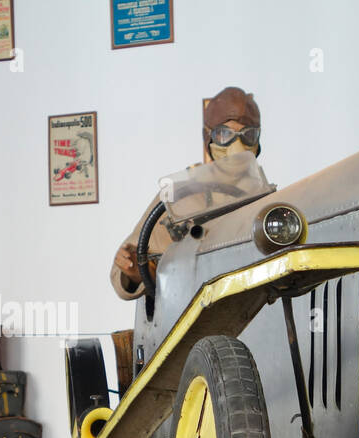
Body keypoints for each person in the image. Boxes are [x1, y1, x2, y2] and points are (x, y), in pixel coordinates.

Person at [109, 86, 262, 300]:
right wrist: (134, 271)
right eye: (224, 134)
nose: (237, 144)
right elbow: (127, 265)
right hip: (191, 312)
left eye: (248, 134)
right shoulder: (181, 192)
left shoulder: (268, 201)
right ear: (208, 136)